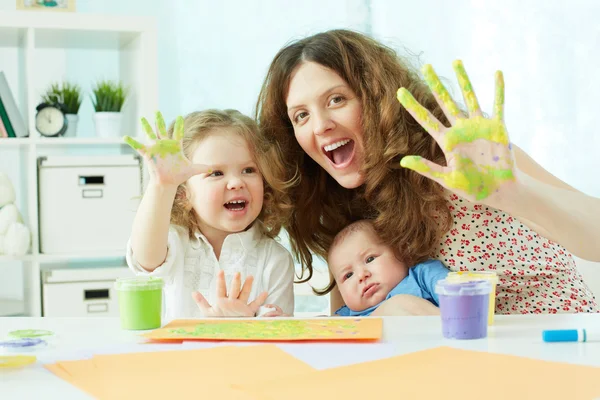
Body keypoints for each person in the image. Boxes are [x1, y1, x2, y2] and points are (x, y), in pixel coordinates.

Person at [256, 29, 599, 314]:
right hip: (463, 366)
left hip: (560, 343)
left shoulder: (460, 158)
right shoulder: (346, 210)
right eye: (300, 115)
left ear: (377, 99)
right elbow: (352, 322)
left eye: (336, 100)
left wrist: (517, 194)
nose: (320, 126)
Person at [124, 109, 296, 321]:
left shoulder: (275, 260)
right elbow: (145, 258)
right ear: (183, 193)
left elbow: (279, 337)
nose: (236, 182)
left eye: (249, 170)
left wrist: (243, 324)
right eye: (216, 173)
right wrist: (162, 185)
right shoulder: (176, 242)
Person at [328, 220, 448, 316]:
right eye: (348, 275)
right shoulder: (346, 318)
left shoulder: (423, 275)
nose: (361, 275)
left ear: (402, 252)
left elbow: (458, 301)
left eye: (370, 259)